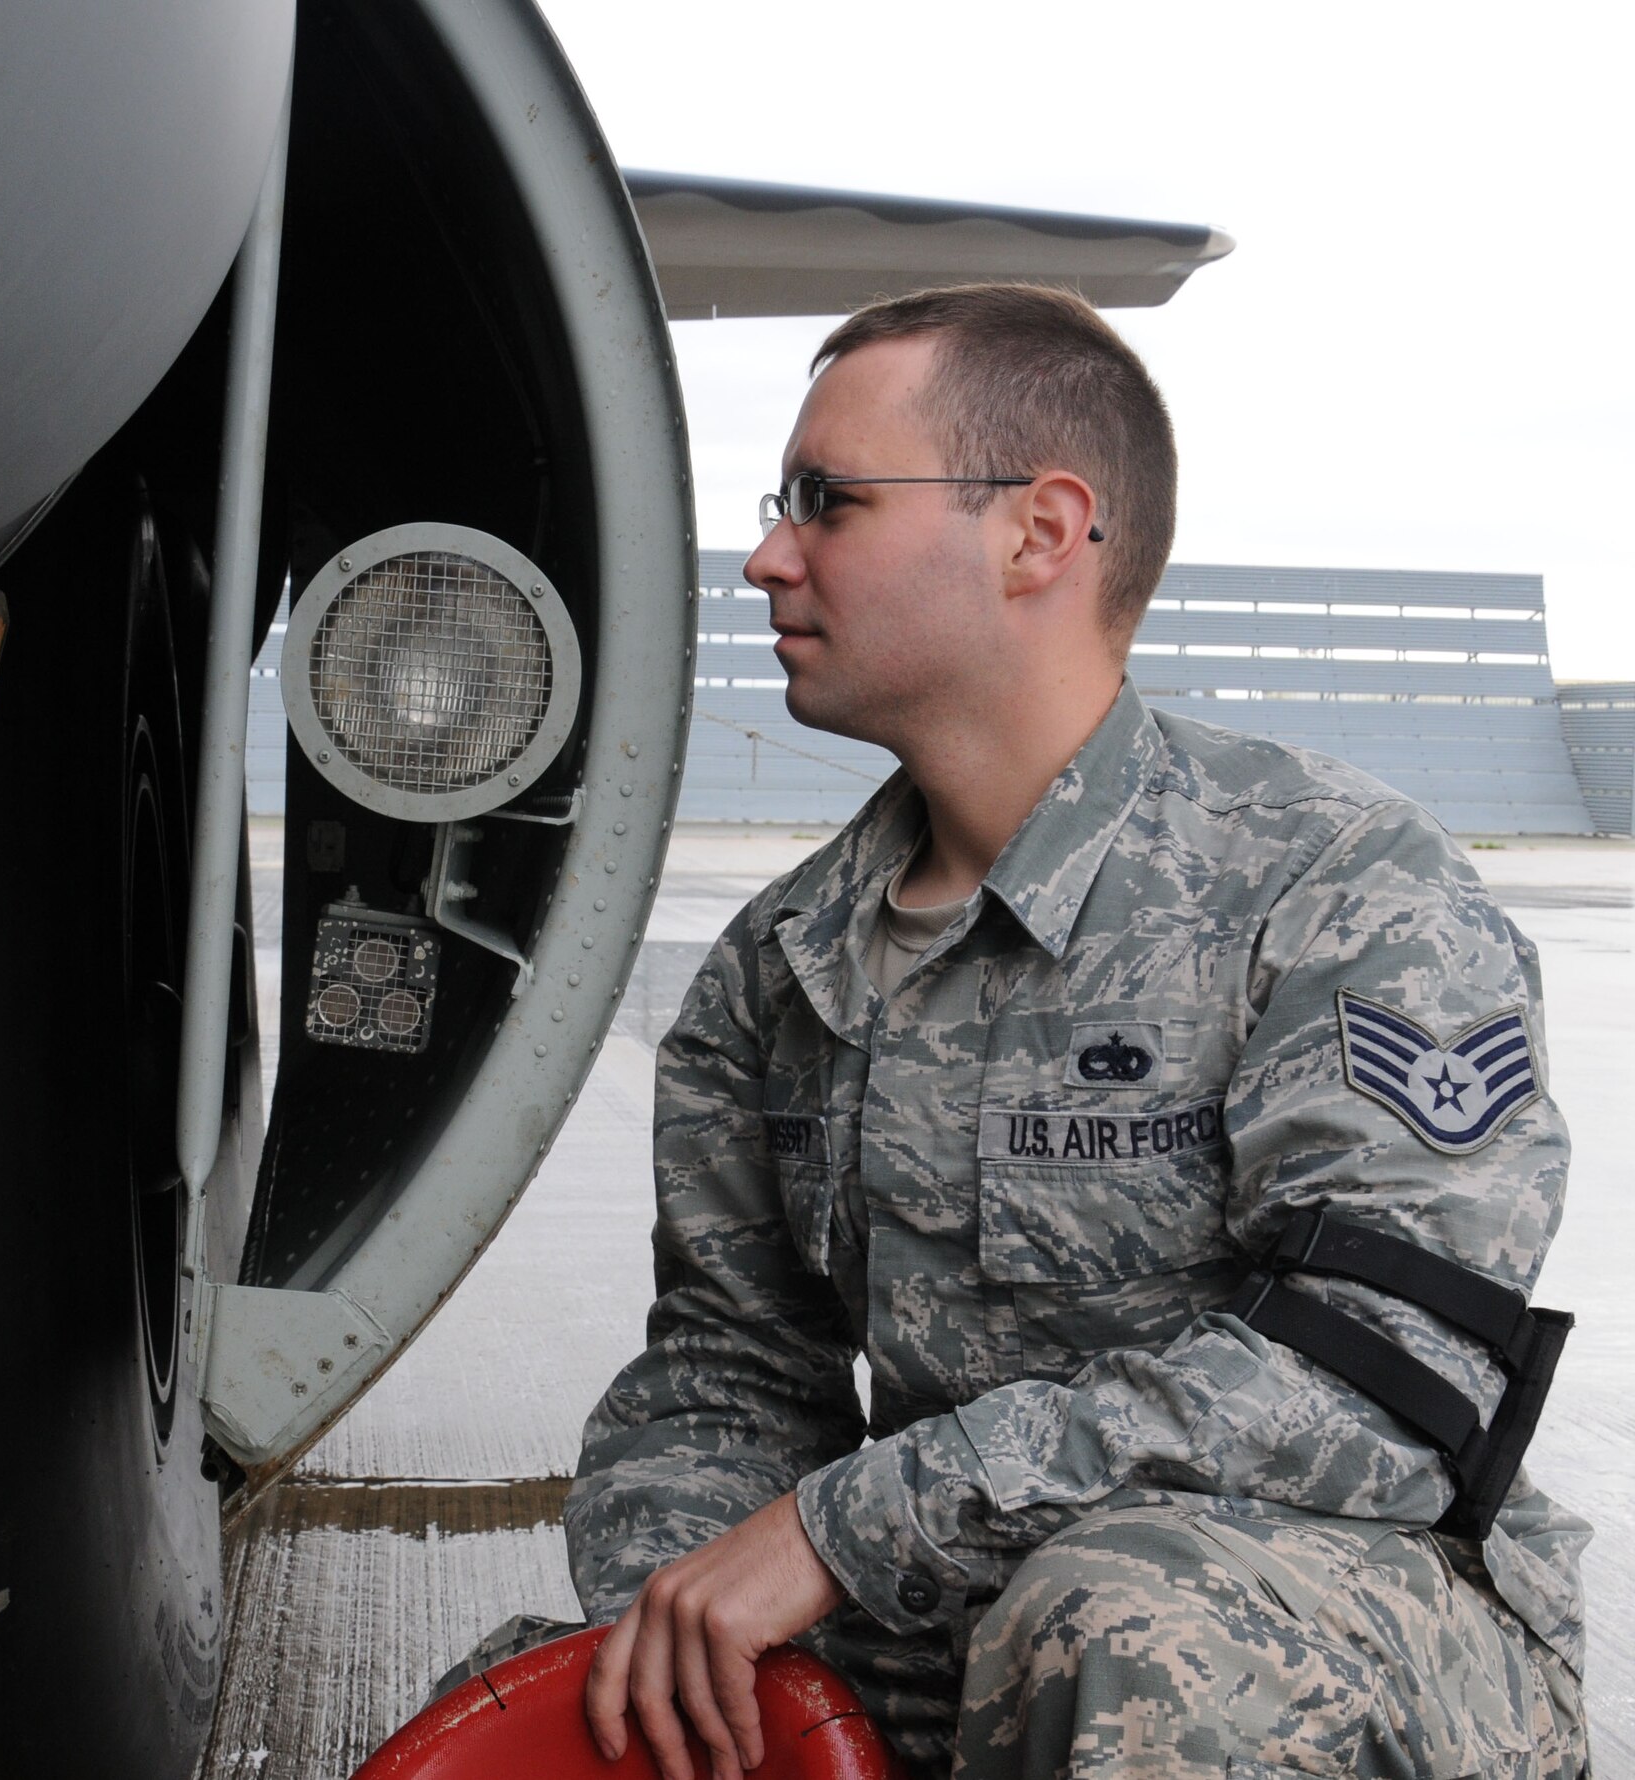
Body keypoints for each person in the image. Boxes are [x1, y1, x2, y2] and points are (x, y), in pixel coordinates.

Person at [562, 284, 1590, 1780]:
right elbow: (726, 1375)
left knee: (1124, 1634)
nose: (769, 557)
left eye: (825, 503)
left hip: (1340, 1622)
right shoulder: (780, 967)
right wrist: (666, 1626)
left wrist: (846, 1527)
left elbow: (1386, 1382)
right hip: (941, 1622)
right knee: (570, 1709)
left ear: (1040, 533)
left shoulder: (1335, 889)